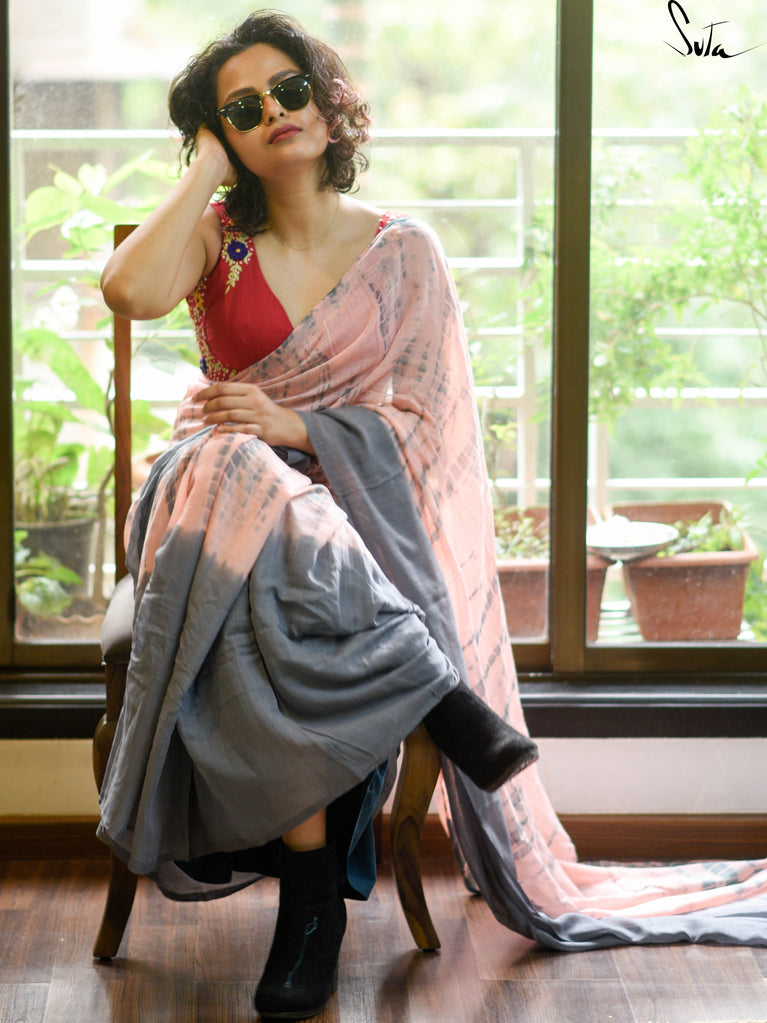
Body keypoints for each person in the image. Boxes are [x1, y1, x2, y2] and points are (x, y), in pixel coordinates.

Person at [98, 10, 538, 1020]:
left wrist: (294, 424)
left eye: (289, 89)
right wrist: (204, 172)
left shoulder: (402, 250)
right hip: (204, 501)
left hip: (346, 517)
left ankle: (310, 909)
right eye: (242, 109)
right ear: (222, 137)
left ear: (328, 102)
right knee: (229, 452)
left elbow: (423, 420)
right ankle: (431, 691)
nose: (275, 112)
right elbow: (126, 291)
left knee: (283, 600)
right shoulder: (214, 237)